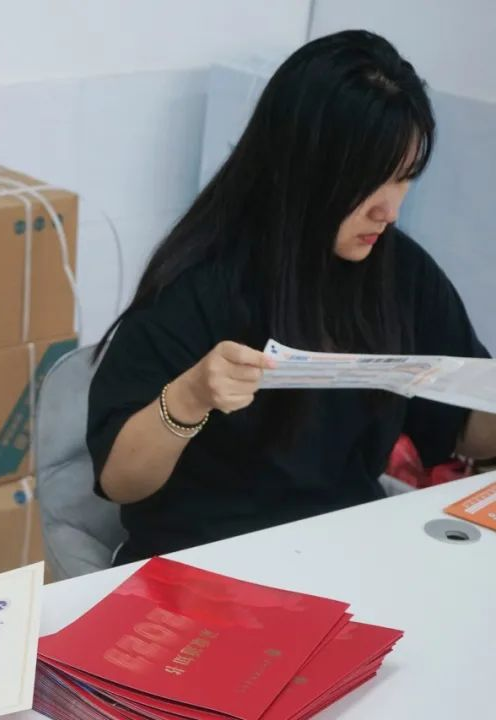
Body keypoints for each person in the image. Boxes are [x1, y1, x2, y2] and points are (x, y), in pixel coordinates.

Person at [89, 30, 496, 566]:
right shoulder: (198, 281)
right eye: (370, 182)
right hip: (204, 564)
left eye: (404, 179)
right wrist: (190, 397)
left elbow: (467, 432)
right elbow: (120, 480)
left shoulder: (401, 271)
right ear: (304, 168)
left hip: (341, 552)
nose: (389, 210)